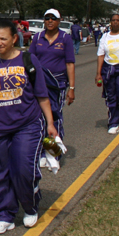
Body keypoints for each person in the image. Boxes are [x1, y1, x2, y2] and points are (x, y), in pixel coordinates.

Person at [0, 20, 57, 234]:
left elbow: (42, 95)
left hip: (27, 125)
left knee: (23, 169)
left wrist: (50, 123)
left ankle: (29, 207)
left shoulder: (28, 60)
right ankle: (5, 215)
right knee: (0, 173)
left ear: (14, 39)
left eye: (3, 39)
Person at [28, 9, 75, 157]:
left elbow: (70, 63)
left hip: (57, 83)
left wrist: (72, 88)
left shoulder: (65, 38)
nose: (50, 21)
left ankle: (54, 154)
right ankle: (43, 152)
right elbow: (29, 60)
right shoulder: (38, 37)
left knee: (54, 116)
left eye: (53, 18)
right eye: (47, 18)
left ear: (59, 21)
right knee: (40, 118)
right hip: (40, 83)